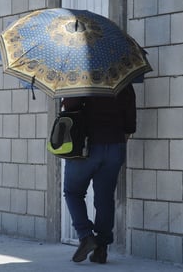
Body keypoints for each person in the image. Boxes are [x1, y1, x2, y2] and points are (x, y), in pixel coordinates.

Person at [62, 83, 136, 264]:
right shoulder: (123, 81)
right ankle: (101, 248)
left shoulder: (80, 79)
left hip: (86, 146)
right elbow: (130, 122)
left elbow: (71, 107)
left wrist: (66, 97)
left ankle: (86, 236)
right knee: (104, 197)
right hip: (115, 146)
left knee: (73, 192)